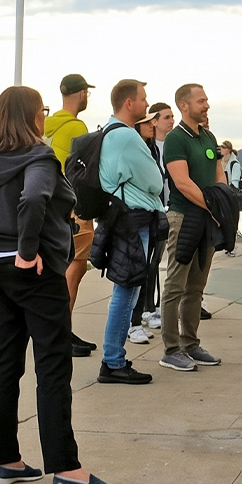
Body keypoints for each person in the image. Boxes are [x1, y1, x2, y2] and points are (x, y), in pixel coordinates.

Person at [0, 85, 121, 484]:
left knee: (5, 361)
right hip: (33, 270)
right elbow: (34, 197)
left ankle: (4, 461)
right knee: (52, 366)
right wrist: (28, 249)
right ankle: (67, 470)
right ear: (34, 116)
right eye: (43, 111)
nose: (44, 116)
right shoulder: (38, 156)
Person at [92, 79, 165, 385]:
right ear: (129, 103)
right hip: (133, 221)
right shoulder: (127, 137)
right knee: (127, 292)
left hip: (119, 218)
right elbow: (155, 182)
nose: (147, 105)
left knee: (126, 290)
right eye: (144, 100)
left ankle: (114, 358)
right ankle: (113, 361)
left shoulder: (110, 133)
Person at [158, 83, 226, 372]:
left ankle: (191, 343)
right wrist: (212, 205)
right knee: (175, 284)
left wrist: (223, 203)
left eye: (207, 100)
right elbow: (182, 183)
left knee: (196, 286)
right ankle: (171, 349)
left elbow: (219, 174)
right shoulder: (176, 139)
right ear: (184, 105)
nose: (206, 105)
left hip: (207, 221)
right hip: (184, 217)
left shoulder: (208, 137)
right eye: (201, 101)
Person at [44, 73, 97, 357]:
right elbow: (83, 169)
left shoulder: (47, 127)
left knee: (62, 269)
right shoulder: (77, 126)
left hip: (48, 205)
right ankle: (62, 330)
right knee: (75, 269)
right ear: (82, 94)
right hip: (72, 207)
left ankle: (64, 328)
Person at [132, 102, 175, 335]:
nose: (171, 121)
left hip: (161, 209)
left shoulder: (165, 147)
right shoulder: (145, 147)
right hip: (146, 210)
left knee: (155, 260)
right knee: (145, 262)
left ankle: (150, 306)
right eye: (166, 117)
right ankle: (139, 315)